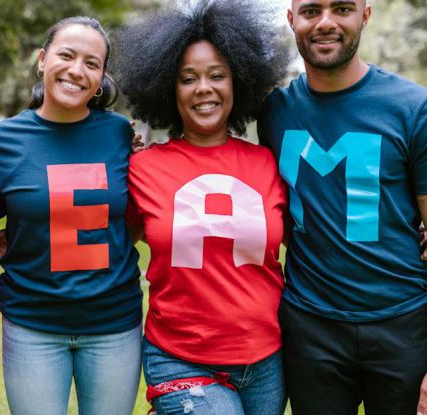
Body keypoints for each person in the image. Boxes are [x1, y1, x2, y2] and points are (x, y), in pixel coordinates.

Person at [258, 1, 427, 414]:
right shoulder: (273, 112)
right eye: (311, 11)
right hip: (310, 326)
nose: (325, 23)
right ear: (291, 20)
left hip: (404, 325)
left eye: (341, 9)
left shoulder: (418, 110)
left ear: (365, 16)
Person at [115, 1, 290, 414]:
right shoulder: (140, 169)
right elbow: (101, 235)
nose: (203, 88)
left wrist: (415, 233)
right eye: (187, 78)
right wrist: (15, 236)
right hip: (178, 355)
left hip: (266, 358)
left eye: (217, 76)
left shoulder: (269, 163)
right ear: (166, 88)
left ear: (238, 83)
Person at [0, 16, 142, 415]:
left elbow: (133, 222)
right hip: (32, 325)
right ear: (42, 60)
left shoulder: (120, 134)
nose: (76, 70)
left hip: (114, 325)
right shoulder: (1, 141)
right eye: (66, 55)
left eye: (92, 63)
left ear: (102, 76)